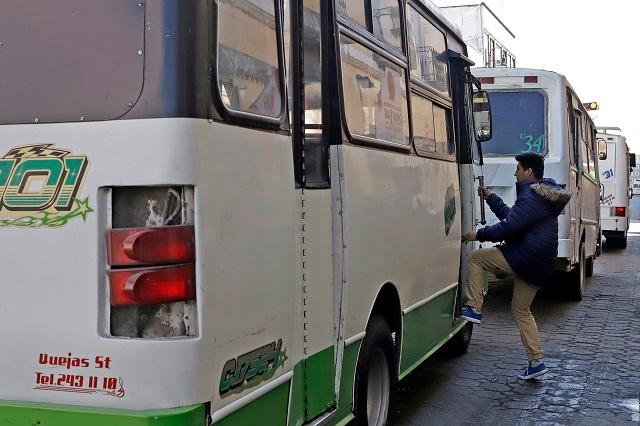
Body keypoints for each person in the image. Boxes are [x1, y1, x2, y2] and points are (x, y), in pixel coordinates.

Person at [460, 152, 571, 380]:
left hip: (525, 257)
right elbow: (514, 218)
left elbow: (509, 227)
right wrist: (491, 197)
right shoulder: (540, 196)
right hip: (538, 263)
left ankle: (473, 307)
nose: (515, 173)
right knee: (521, 310)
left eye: (518, 168)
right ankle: (536, 361)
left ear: (529, 171)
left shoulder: (531, 196)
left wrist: (478, 235)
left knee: (476, 259)